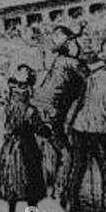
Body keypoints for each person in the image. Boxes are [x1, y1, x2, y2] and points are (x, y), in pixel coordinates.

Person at [63, 38, 106, 212]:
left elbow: (80, 101)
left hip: (81, 127)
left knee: (78, 165)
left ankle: (70, 202)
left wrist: (70, 123)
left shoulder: (92, 77)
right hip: (102, 130)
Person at [32, 26, 86, 195]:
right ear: (68, 45)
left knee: (46, 150)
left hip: (39, 108)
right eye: (74, 41)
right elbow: (90, 79)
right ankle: (60, 190)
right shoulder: (72, 63)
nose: (78, 45)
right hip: (51, 113)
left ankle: (45, 186)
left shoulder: (59, 61)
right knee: (66, 155)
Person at [0, 66, 47, 212]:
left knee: (12, 183)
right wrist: (46, 128)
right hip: (26, 148)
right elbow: (38, 128)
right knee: (31, 185)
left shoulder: (9, 106)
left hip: (10, 147)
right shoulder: (30, 111)